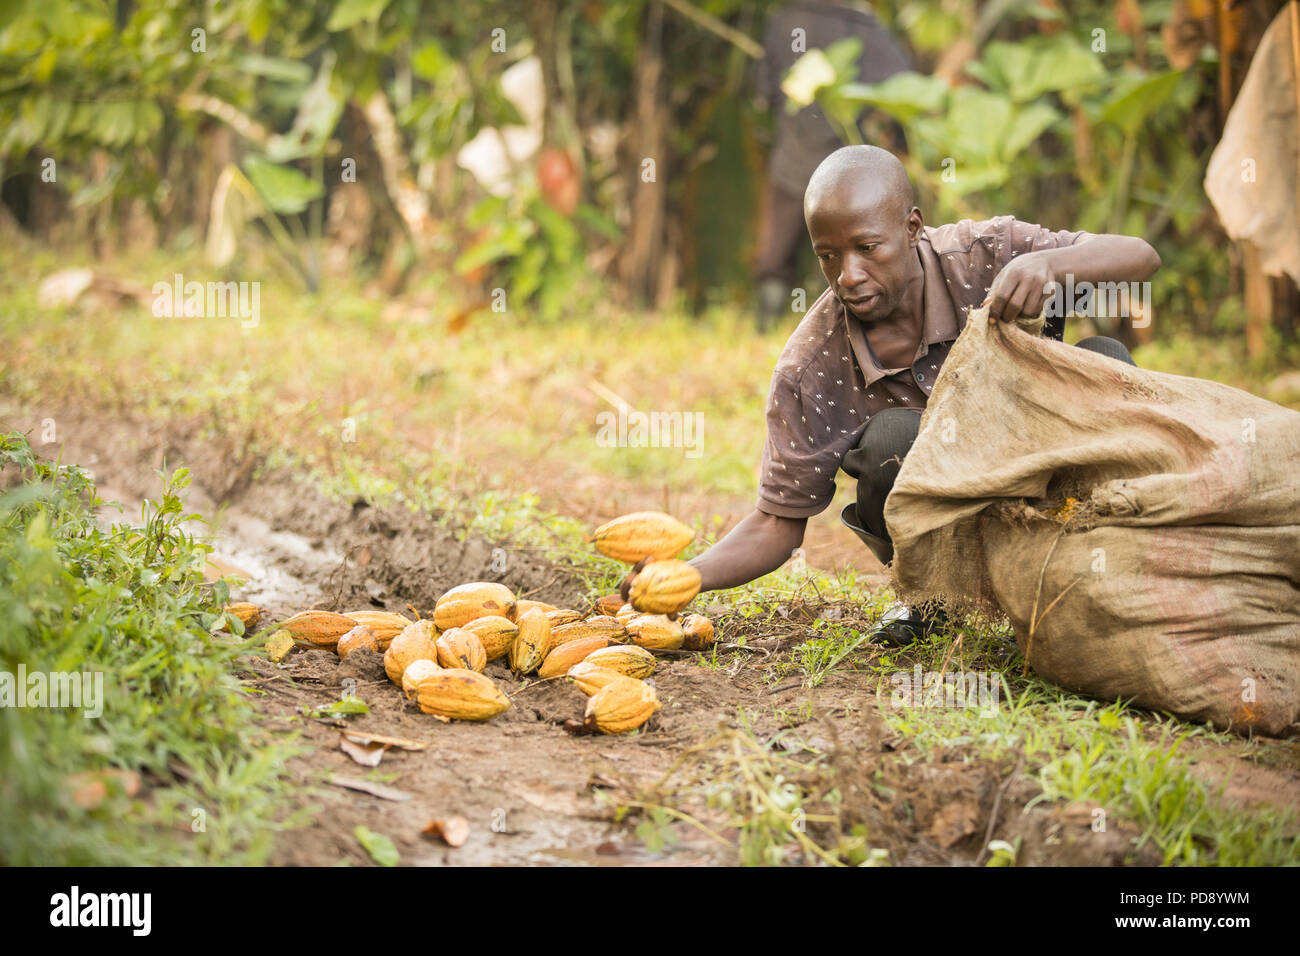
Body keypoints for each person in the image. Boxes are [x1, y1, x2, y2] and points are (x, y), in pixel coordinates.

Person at [679, 145, 1161, 644]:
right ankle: (931, 605)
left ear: (913, 228)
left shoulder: (986, 256)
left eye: (868, 248)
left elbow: (1142, 257)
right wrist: (686, 576)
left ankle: (1113, 568)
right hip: (948, 534)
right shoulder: (811, 368)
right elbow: (776, 524)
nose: (848, 275)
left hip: (1050, 483)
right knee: (891, 437)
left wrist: (1050, 267)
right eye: (828, 255)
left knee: (1102, 356)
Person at [754, 1, 911, 331]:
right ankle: (829, 330)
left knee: (776, 251)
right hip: (846, 175)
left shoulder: (787, 20)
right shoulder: (865, 28)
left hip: (791, 157)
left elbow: (764, 91)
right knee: (843, 255)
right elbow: (903, 89)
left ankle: (765, 327)